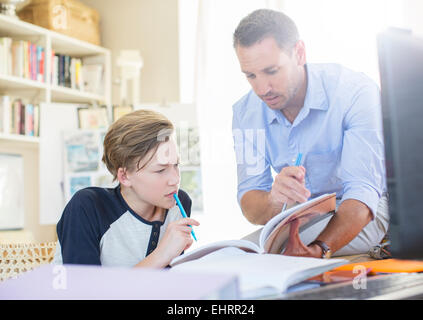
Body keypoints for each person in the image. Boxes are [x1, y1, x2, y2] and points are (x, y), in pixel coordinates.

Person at [231, 9, 389, 258]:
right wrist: (273, 199)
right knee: (232, 254)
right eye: (250, 75)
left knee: (272, 256)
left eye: (272, 71)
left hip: (368, 208)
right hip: (304, 215)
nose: (262, 89)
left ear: (299, 53)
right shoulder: (245, 113)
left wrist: (319, 249)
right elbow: (250, 201)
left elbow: (362, 193)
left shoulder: (355, 93)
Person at [53, 109, 199, 267]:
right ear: (124, 176)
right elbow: (85, 289)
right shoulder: (87, 208)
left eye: (176, 165)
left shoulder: (179, 204)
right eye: (160, 170)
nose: (175, 179)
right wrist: (161, 254)